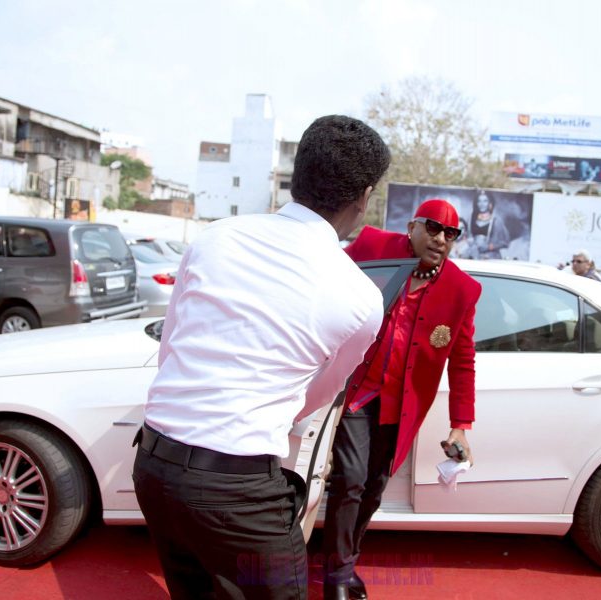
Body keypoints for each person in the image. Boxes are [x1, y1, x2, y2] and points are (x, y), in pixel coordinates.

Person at [132, 114, 391, 599]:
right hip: (237, 491)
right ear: (364, 195)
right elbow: (317, 393)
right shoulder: (359, 297)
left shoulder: (216, 236)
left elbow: (172, 344)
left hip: (154, 468)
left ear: (298, 175)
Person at [322, 199, 482, 600]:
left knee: (374, 487)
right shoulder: (373, 247)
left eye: (451, 234)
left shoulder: (462, 290)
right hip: (355, 392)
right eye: (432, 228)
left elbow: (462, 361)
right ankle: (337, 576)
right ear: (412, 226)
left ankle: (346, 561)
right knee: (351, 481)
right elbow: (324, 282)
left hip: (400, 403)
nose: (441, 238)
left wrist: (460, 426)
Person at [469, 191, 510, 259]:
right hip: (475, 257)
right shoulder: (471, 219)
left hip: (491, 258)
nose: (482, 204)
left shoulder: (496, 221)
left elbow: (505, 242)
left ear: (490, 203)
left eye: (485, 201)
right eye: (479, 201)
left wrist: (488, 247)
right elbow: (468, 237)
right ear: (476, 203)